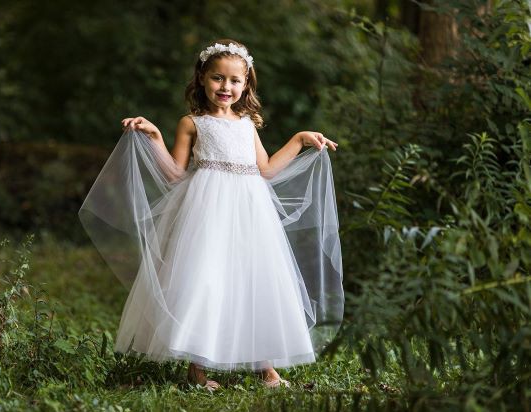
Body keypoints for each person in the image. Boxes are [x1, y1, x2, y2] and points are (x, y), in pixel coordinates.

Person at [79, 39, 344, 392]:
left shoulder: (247, 124)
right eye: (218, 78)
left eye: (235, 81)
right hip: (207, 210)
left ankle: (267, 369)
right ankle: (198, 368)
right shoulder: (192, 122)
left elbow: (265, 169)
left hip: (250, 210)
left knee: (256, 279)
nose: (226, 87)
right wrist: (154, 133)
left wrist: (298, 140)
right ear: (202, 78)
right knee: (205, 278)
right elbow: (175, 172)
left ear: (246, 84)